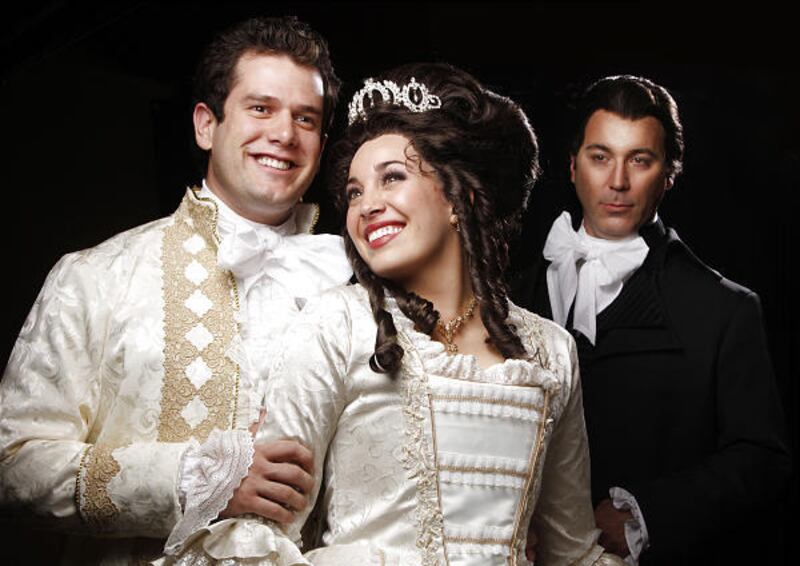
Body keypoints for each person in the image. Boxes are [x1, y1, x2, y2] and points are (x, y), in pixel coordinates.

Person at [163, 62, 625, 566]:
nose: (366, 206)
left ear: (460, 195)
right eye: (355, 191)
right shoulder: (336, 324)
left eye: (392, 179)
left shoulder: (552, 350)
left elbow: (573, 551)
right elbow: (264, 531)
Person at [0, 16, 352, 563]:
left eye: (304, 118)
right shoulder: (96, 275)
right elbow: (12, 464)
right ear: (206, 125)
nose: (284, 134)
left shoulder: (357, 291)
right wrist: (197, 480)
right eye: (260, 108)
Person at [512, 75, 791, 565]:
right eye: (600, 157)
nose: (617, 181)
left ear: (669, 173)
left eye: (640, 160)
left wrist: (647, 514)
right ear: (572, 165)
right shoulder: (509, 295)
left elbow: (761, 458)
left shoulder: (725, 309)